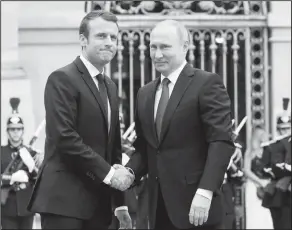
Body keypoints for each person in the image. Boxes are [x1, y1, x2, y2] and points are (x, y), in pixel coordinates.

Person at [116, 19, 235, 229]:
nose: (157, 54)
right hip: (157, 209)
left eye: (165, 47)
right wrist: (130, 172)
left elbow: (221, 142)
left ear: (185, 47)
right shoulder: (144, 94)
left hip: (198, 208)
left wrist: (205, 192)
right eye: (153, 47)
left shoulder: (206, 84)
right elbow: (146, 147)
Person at [27, 10, 133, 229]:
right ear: (83, 39)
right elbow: (65, 137)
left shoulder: (110, 87)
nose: (109, 43)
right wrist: (111, 175)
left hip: (99, 204)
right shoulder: (62, 79)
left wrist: (120, 205)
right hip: (64, 202)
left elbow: (113, 147)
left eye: (114, 37)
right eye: (101, 36)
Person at [1, 98, 39, 229]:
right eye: (12, 129)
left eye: (18, 129)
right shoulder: (1, 152)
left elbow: (39, 179)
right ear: (7, 131)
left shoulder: (31, 153)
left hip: (26, 207)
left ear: (23, 131)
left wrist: (32, 166)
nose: (16, 132)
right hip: (7, 208)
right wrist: (11, 178)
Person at [260, 97, 291, 229]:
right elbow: (264, 168)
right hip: (278, 195)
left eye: (288, 128)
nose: (285, 132)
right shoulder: (271, 146)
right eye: (282, 129)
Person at [243, 126, 274, 229]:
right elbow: (246, 170)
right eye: (262, 134)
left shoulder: (268, 150)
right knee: (254, 214)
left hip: (266, 186)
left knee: (266, 214)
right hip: (253, 186)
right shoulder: (250, 152)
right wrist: (259, 181)